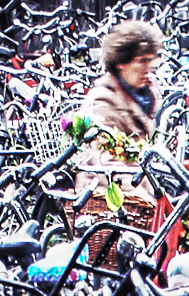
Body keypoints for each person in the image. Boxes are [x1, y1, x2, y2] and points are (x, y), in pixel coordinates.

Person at [67, 19, 165, 266]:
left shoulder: (144, 95)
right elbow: (105, 165)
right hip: (110, 203)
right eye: (142, 61)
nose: (148, 69)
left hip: (141, 194)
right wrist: (151, 199)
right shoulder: (103, 102)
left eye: (151, 61)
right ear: (121, 62)